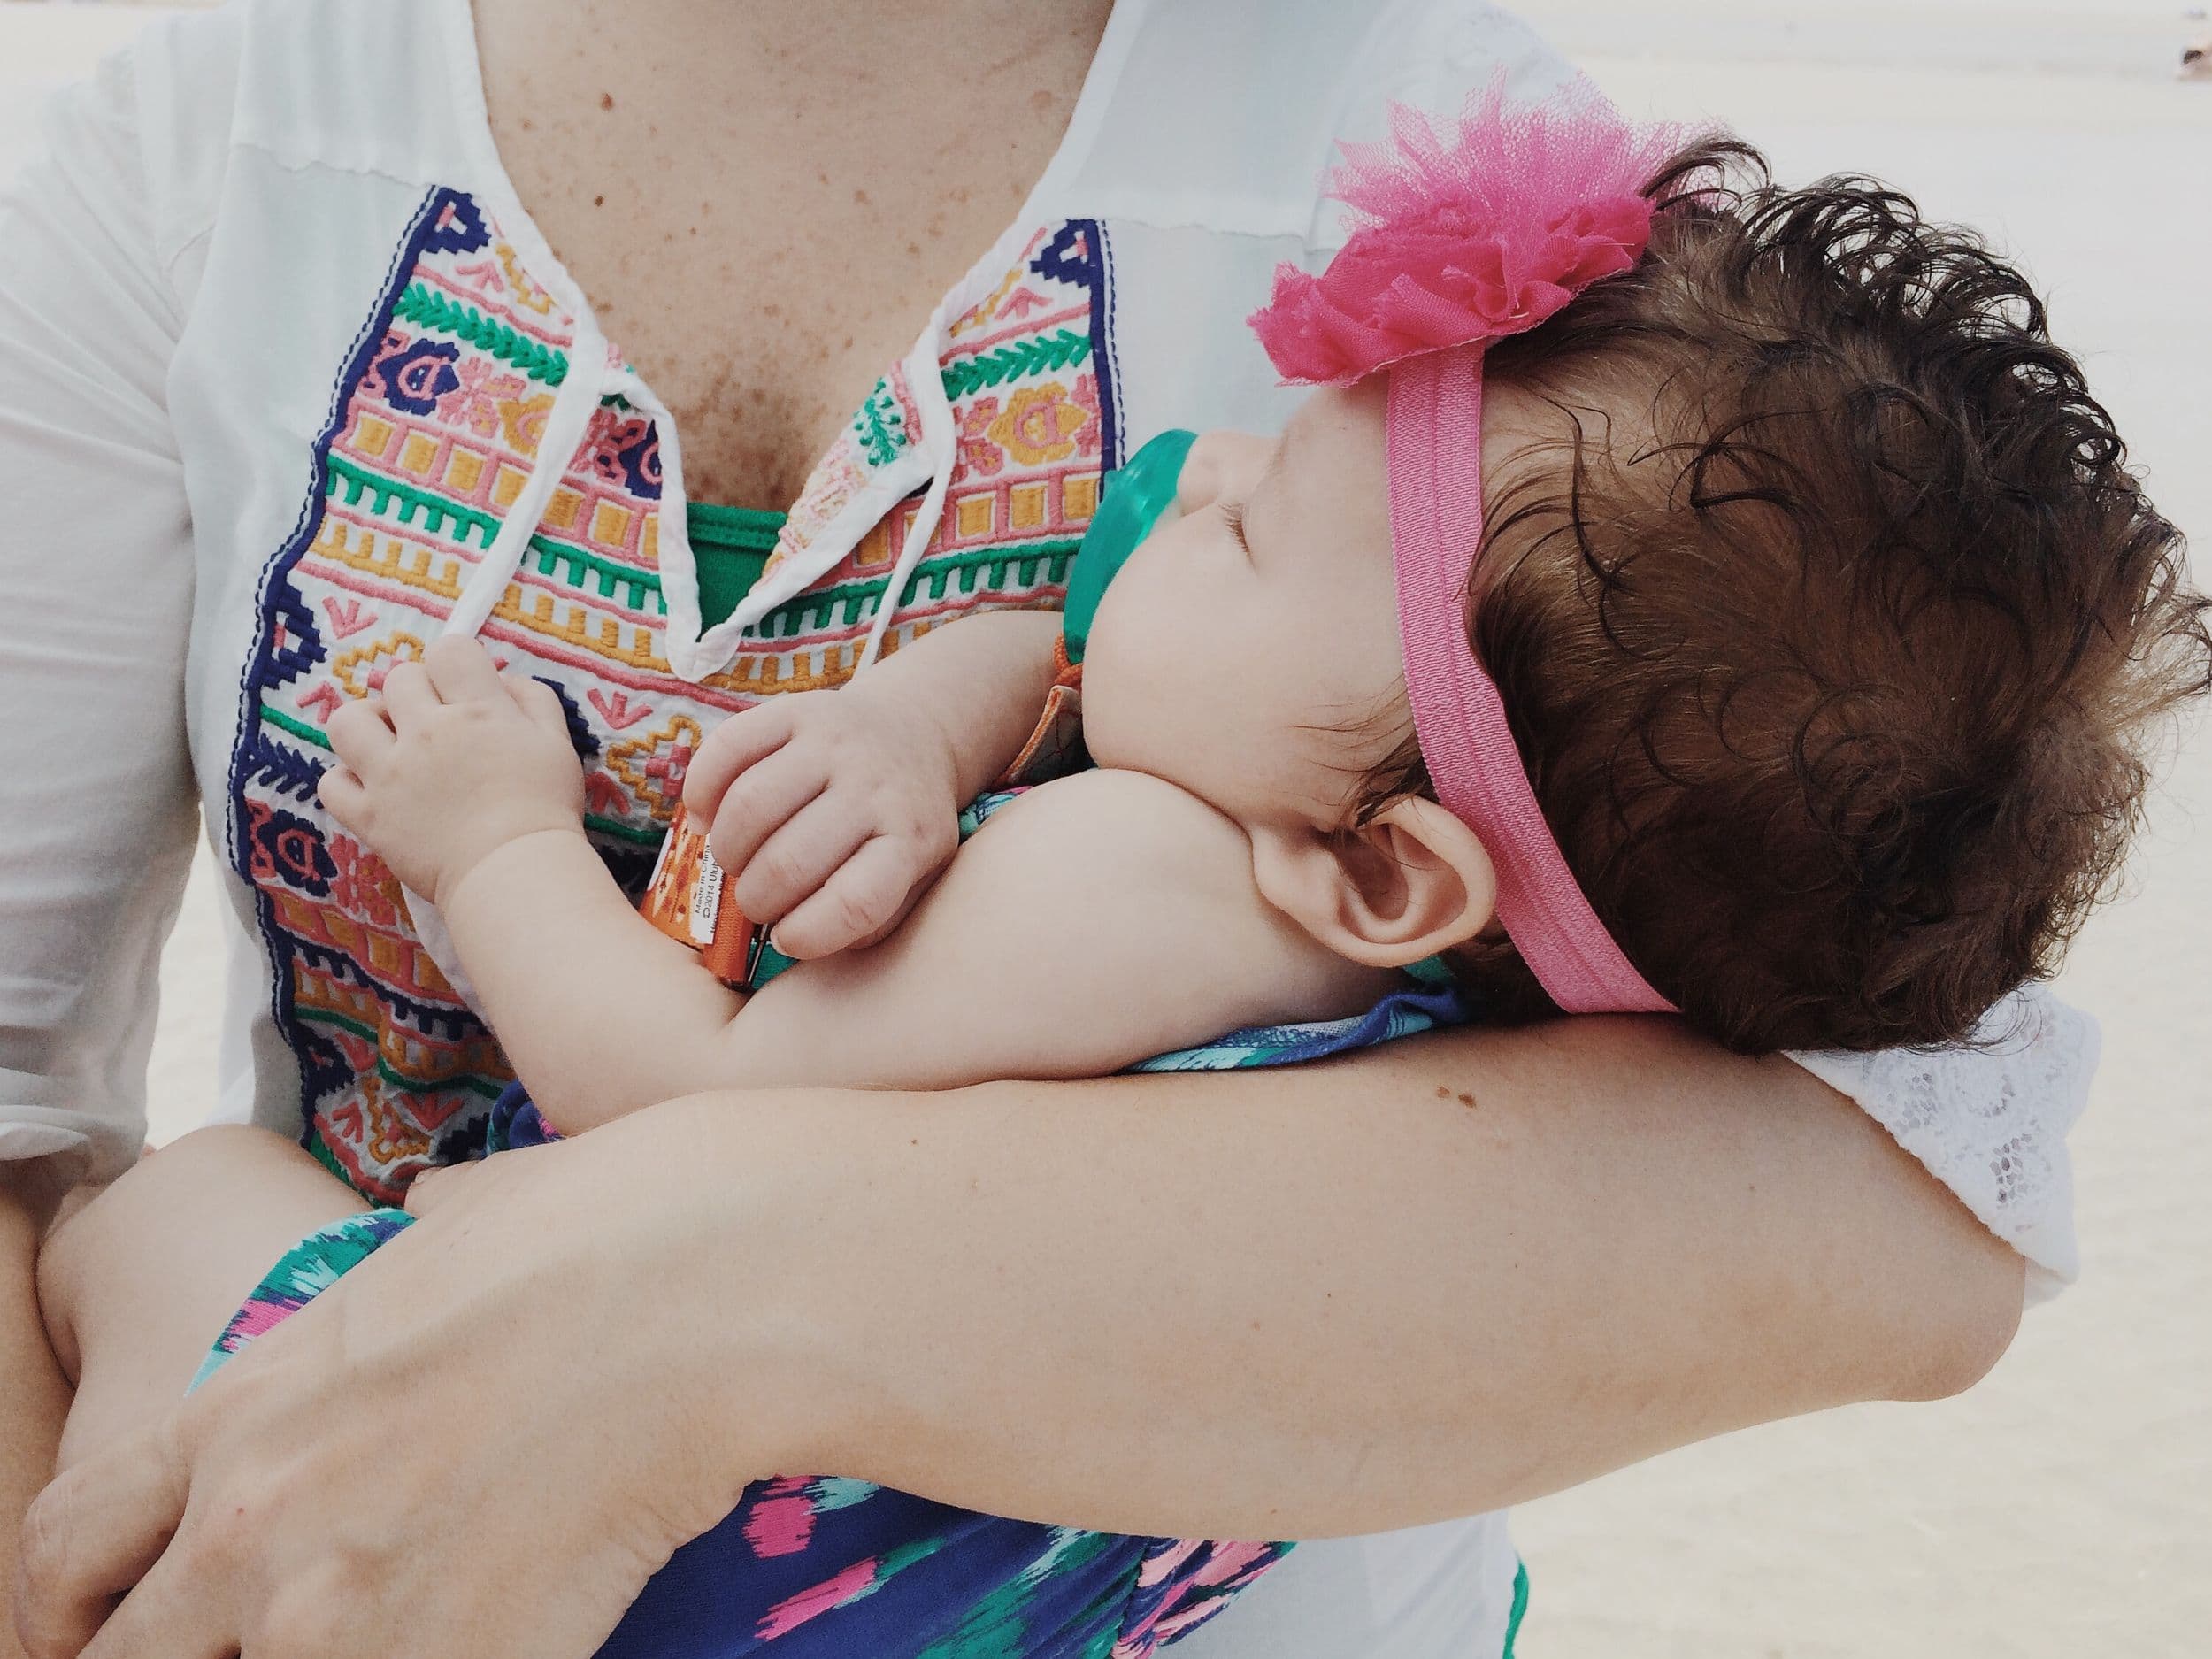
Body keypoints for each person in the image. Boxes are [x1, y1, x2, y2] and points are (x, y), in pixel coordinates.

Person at [0, 3, 2087, 1655]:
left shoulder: (1485, 280)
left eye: (1243, 519)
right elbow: (1091, 641)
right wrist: (926, 718)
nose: (1184, 477)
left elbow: (1919, 1182)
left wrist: (509, 878)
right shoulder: (201, 149)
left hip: (612, 1546)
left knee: (169, 1212)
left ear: (1387, 865)